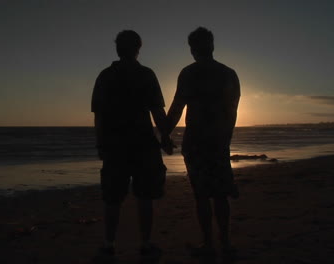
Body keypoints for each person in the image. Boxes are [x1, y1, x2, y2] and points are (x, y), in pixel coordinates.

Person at [91, 30, 173, 260]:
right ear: (138, 48)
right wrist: (165, 137)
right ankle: (145, 243)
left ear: (118, 49)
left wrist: (100, 143)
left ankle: (109, 243)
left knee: (112, 197)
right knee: (145, 196)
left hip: (115, 145)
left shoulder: (106, 76)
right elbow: (157, 111)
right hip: (143, 144)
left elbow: (99, 115)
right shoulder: (146, 75)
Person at [166, 27, 240, 260]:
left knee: (201, 195)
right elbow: (233, 111)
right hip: (218, 141)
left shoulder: (189, 73)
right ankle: (225, 242)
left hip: (196, 141)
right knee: (220, 194)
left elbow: (177, 107)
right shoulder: (229, 74)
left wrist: (163, 134)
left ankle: (209, 243)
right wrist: (226, 137)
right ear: (212, 46)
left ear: (192, 49)